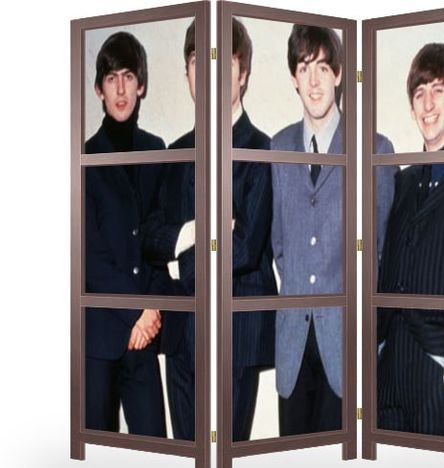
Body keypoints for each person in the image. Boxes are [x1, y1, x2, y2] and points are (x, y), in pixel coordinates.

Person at [142, 18, 278, 442]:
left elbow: (245, 248)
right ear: (187, 74)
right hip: (181, 333)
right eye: (198, 63)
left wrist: (177, 264)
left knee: (225, 458)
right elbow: (149, 236)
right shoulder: (174, 152)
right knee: (188, 454)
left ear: (242, 73)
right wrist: (196, 231)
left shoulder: (262, 150)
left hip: (235, 332)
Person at [271, 25, 397, 436]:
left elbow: (380, 253)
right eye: (304, 68)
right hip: (293, 347)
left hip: (347, 346)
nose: (313, 81)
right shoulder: (277, 149)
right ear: (293, 77)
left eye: (323, 68)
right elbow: (279, 245)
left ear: (340, 73)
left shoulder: (374, 150)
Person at [376, 43, 444, 438]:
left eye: (438, 90)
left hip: (437, 383)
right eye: (419, 92)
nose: (427, 104)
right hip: (387, 379)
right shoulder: (401, 182)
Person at [85, 31, 166, 437]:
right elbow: (89, 256)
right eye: (111, 78)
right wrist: (137, 310)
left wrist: (149, 312)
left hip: (143, 337)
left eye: (129, 76)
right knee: (97, 454)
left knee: (158, 449)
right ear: (99, 90)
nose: (120, 89)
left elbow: (158, 241)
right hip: (99, 339)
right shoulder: (84, 158)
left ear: (141, 85)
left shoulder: (157, 151)